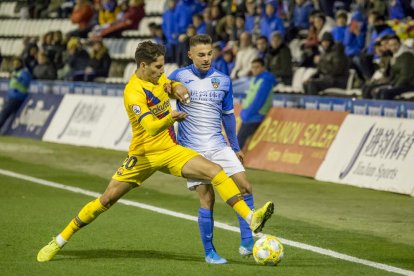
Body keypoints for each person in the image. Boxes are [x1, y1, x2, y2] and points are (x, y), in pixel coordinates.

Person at [36, 41, 274, 263]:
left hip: (170, 151)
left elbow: (169, 86)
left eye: (163, 66)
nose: (162, 71)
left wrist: (177, 87)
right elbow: (149, 126)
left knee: (216, 171)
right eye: (158, 67)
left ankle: (251, 218)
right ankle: (60, 240)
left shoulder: (158, 78)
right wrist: (171, 117)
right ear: (143, 66)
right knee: (106, 200)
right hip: (143, 156)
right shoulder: (133, 92)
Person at [168, 35, 271, 264]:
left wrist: (235, 147)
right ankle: (210, 253)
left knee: (245, 187)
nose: (206, 59)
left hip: (218, 145)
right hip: (192, 150)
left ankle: (246, 241)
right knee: (208, 199)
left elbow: (228, 116)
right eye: (201, 55)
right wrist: (170, 89)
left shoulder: (223, 79)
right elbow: (158, 93)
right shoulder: (178, 76)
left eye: (209, 54)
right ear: (190, 55)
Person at [238, 58, 276, 150]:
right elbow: (250, 98)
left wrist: (247, 113)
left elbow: (259, 100)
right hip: (248, 115)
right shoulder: (255, 79)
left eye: (257, 67)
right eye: (253, 67)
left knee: (239, 141)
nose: (254, 70)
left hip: (256, 116)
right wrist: (244, 111)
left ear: (263, 67)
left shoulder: (266, 80)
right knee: (239, 141)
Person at [0, 57, 32, 131]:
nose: (15, 65)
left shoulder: (24, 72)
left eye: (17, 63)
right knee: (5, 112)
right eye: (14, 64)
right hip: (11, 96)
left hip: (18, 96)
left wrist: (17, 78)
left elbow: (26, 83)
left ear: (21, 64)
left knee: (5, 112)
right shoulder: (15, 72)